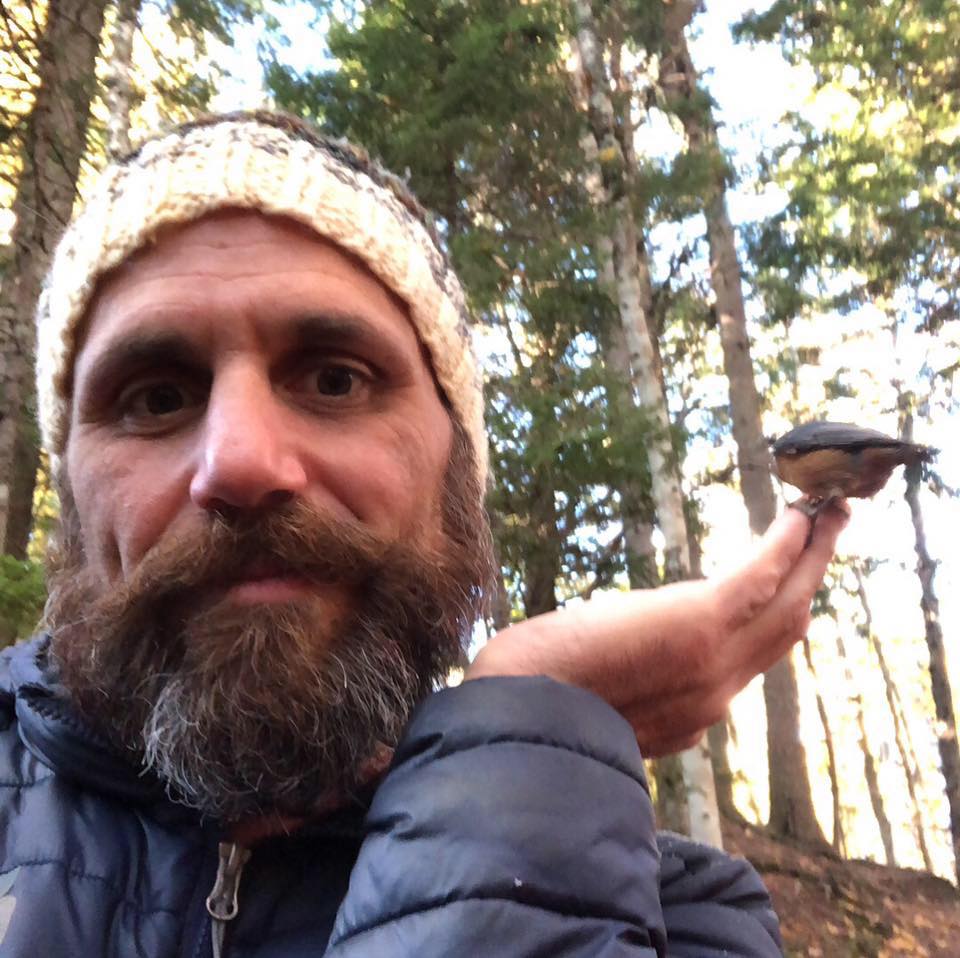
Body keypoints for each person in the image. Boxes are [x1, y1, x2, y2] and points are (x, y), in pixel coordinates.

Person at [0, 111, 847, 957]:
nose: (240, 462)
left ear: (459, 479)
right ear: (69, 484)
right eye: (156, 399)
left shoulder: (673, 917)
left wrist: (516, 757)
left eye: (336, 379)